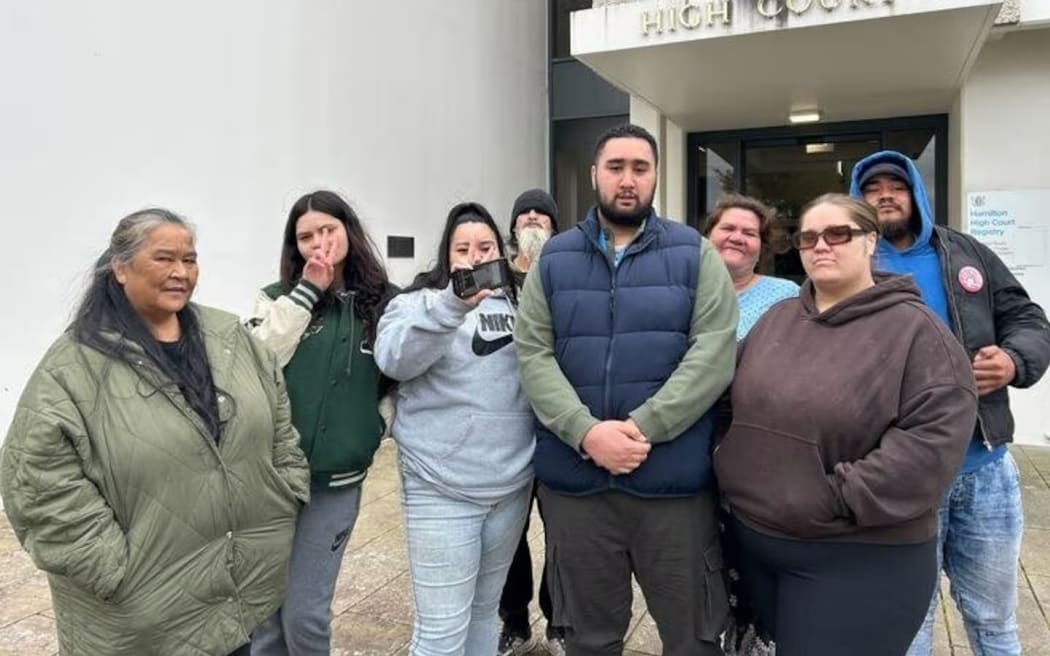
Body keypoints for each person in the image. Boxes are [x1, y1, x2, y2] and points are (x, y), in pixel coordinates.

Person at [0, 209, 310, 656]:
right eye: (165, 258)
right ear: (120, 267)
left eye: (190, 259)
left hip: (233, 600)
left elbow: (275, 407)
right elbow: (34, 479)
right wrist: (114, 569)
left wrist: (287, 485)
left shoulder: (227, 336)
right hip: (142, 622)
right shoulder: (74, 366)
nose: (181, 273)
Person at [714, 193, 978, 656]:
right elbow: (731, 404)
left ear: (871, 241)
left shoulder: (916, 333)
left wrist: (831, 497)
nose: (821, 246)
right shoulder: (778, 319)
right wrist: (727, 461)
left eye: (839, 234)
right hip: (757, 548)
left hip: (855, 559)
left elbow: (930, 445)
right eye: (809, 237)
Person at [514, 123, 738, 655]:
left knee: (693, 639)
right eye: (616, 167)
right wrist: (587, 434)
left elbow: (713, 352)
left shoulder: (694, 254)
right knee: (590, 641)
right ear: (595, 175)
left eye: (640, 168)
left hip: (672, 485)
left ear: (657, 176)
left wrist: (642, 428)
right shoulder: (555, 258)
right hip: (577, 486)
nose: (628, 180)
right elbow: (533, 354)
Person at [849, 151, 1050, 656]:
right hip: (900, 479)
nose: (886, 194)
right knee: (907, 626)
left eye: (896, 184)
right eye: (873, 188)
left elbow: (1027, 319)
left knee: (994, 622)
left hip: (985, 471)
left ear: (916, 190)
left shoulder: (966, 252)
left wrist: (1013, 360)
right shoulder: (848, 262)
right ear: (858, 199)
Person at [374, 202, 534, 656]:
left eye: (485, 247)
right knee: (441, 635)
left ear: (501, 253)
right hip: (440, 487)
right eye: (462, 248)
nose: (474, 256)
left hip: (510, 485)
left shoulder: (525, 304)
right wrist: (451, 306)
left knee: (485, 617)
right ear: (446, 255)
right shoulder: (416, 303)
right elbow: (394, 361)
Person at [247, 191, 392, 655]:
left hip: (336, 482)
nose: (318, 243)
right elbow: (258, 360)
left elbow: (399, 383)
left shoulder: (384, 304)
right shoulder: (275, 299)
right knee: (265, 616)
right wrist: (307, 291)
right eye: (305, 236)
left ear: (348, 230)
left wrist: (374, 427)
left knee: (305, 616)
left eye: (327, 230)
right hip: (273, 480)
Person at [497, 188, 564, 656]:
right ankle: (514, 620)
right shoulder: (494, 279)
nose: (533, 217)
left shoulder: (568, 276)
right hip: (505, 427)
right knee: (508, 533)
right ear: (513, 227)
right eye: (525, 213)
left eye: (542, 213)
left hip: (559, 426)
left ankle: (560, 619)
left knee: (563, 530)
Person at [703, 193, 799, 339]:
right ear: (708, 236)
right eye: (728, 228)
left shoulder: (786, 295)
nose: (736, 238)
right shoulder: (682, 289)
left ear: (762, 246)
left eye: (749, 233)